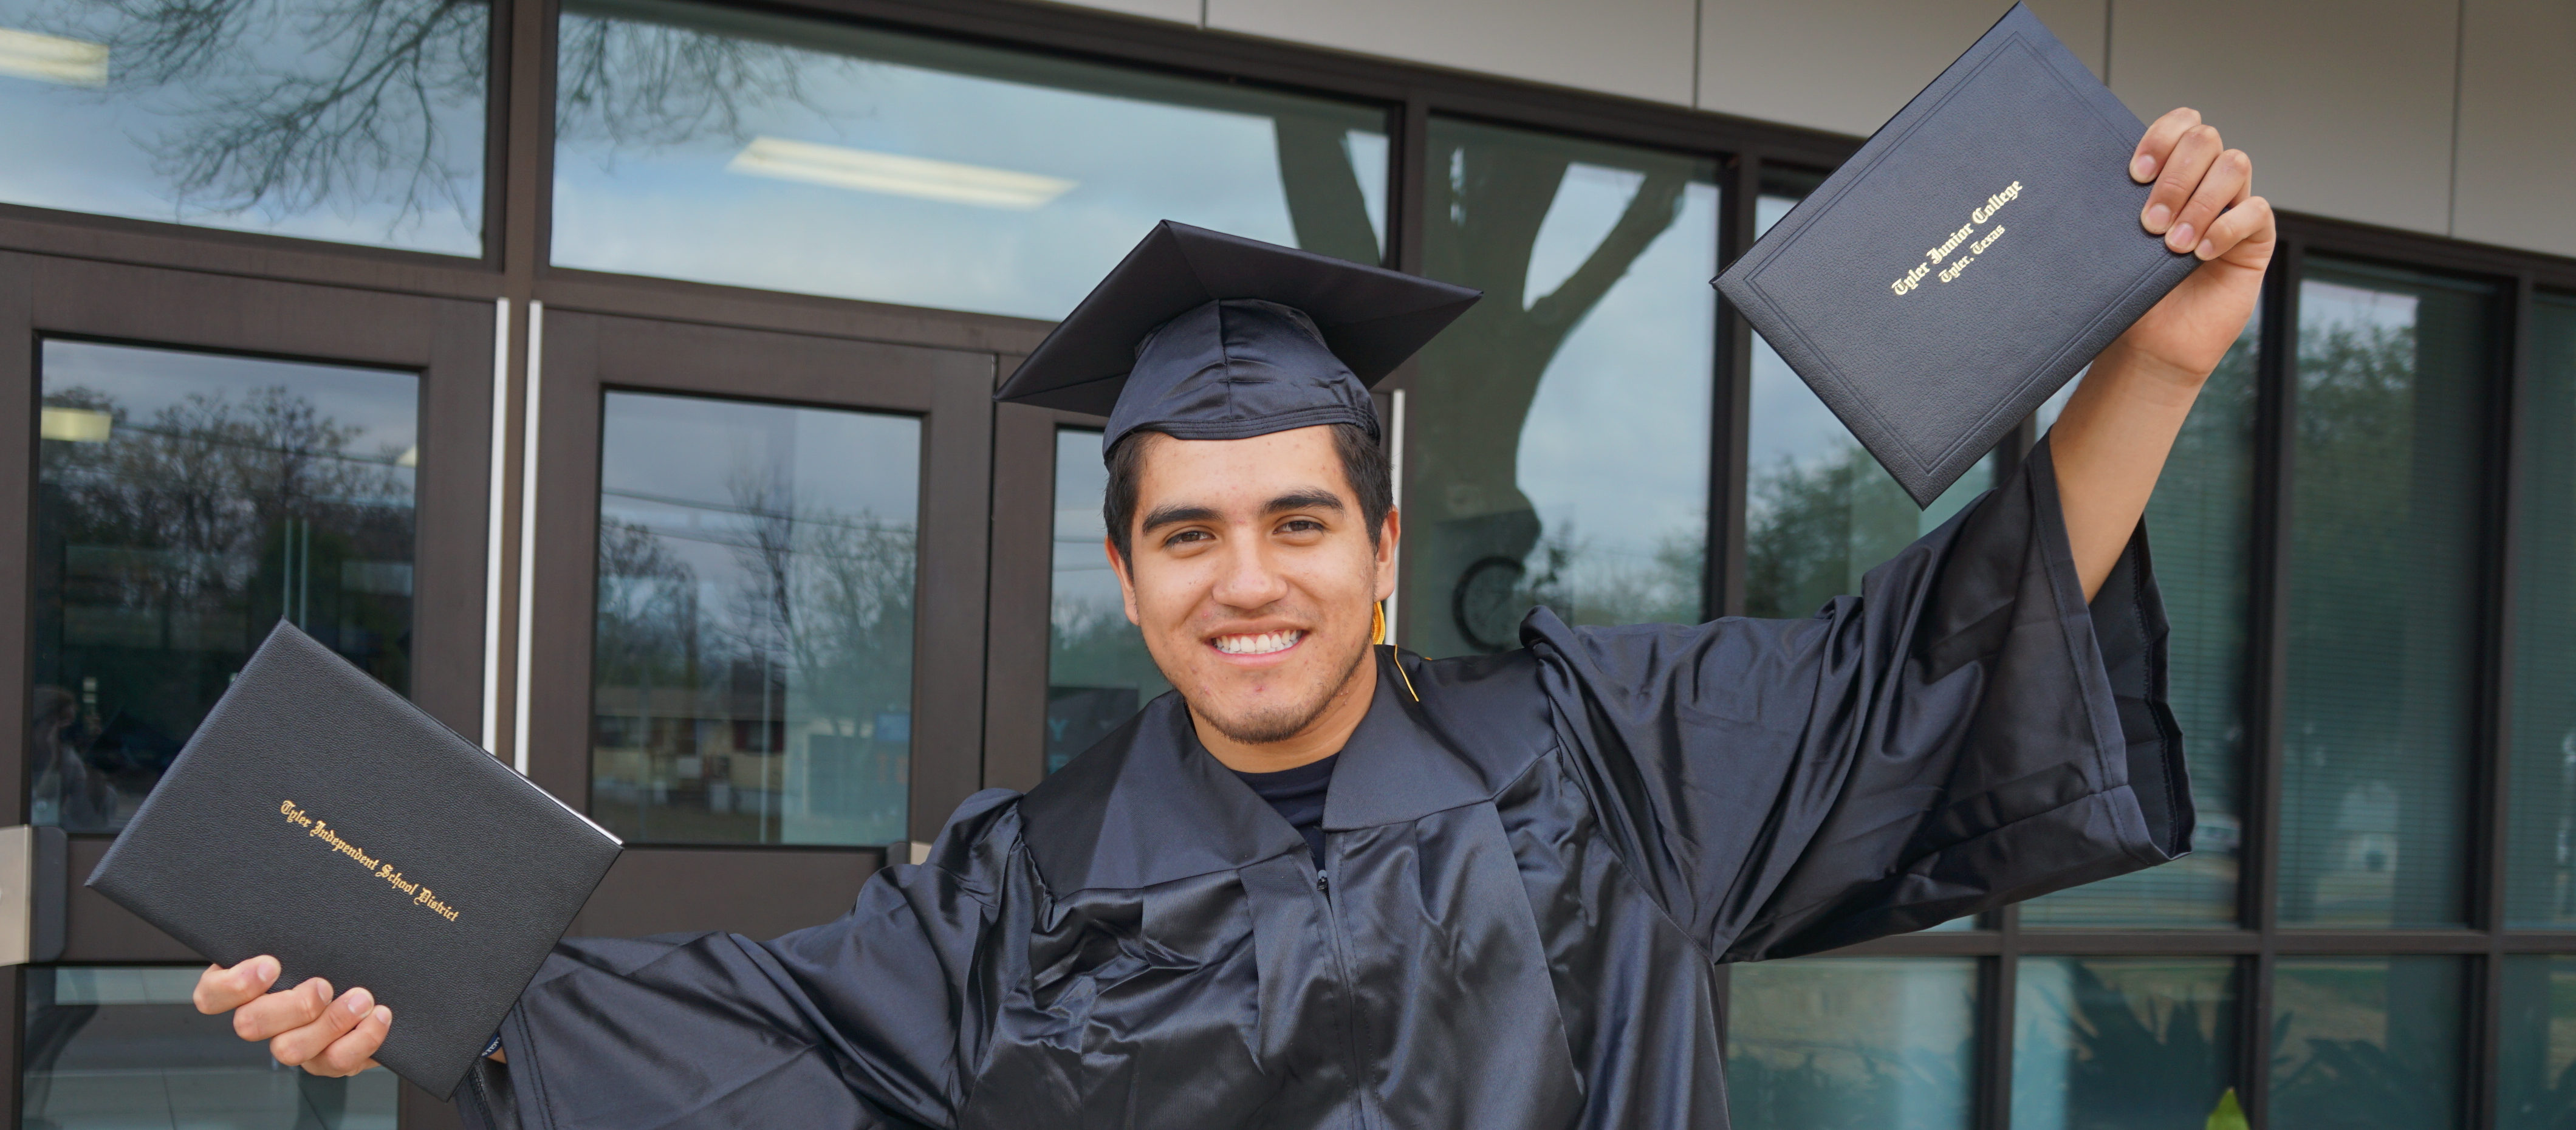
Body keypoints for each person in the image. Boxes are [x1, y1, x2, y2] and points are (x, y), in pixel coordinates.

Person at [193, 109, 2270, 1129]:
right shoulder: (1021, 888)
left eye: (1296, 517)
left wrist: (2157, 359)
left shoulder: (1602, 755)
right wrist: (414, 991)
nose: (1247, 577)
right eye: (1187, 535)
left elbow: (1929, 658)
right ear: (1126, 577)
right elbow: (730, 1037)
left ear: (1381, 548)